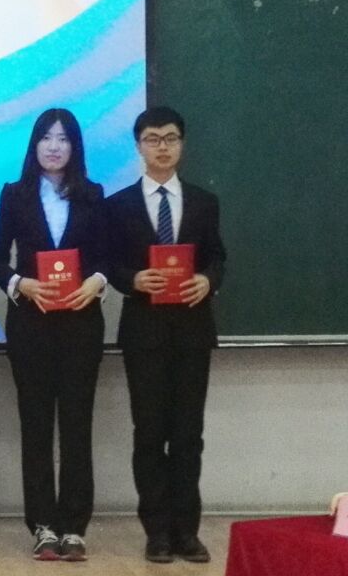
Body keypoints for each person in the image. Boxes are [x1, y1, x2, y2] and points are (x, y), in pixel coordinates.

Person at [106, 106, 226, 564]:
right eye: (153, 139)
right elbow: (109, 263)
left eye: (171, 138)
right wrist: (133, 279)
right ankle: (156, 531)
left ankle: (187, 531)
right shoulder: (118, 204)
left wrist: (208, 281)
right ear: (139, 146)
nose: (162, 147)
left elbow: (217, 257)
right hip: (144, 334)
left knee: (189, 435)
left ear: (182, 144)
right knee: (150, 434)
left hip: (193, 332)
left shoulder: (203, 201)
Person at [0, 108, 108, 562]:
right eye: (46, 137)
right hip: (31, 325)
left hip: (81, 324)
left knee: (77, 426)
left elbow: (107, 257)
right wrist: (21, 284)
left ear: (75, 147)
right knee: (36, 426)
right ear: (34, 144)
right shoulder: (15, 194)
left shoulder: (93, 194)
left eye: (63, 139)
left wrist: (96, 282)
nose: (54, 146)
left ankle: (74, 527)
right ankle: (42, 525)